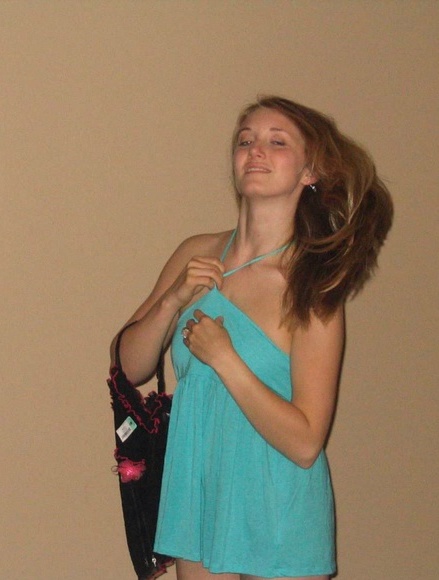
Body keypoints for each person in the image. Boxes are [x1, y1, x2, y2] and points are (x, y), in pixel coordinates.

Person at [110, 96, 393, 580]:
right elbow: (130, 367)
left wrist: (225, 359)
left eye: (276, 142)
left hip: (279, 508)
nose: (255, 150)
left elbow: (306, 442)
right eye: (245, 141)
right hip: (199, 499)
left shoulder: (312, 284)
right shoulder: (196, 252)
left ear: (310, 171)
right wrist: (174, 299)